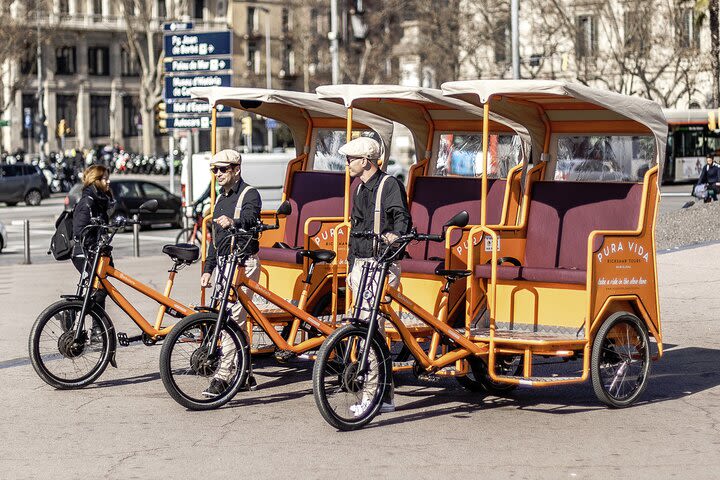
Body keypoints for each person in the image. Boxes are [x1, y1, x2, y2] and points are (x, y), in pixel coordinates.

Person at [341, 136, 411, 415]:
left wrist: (394, 235)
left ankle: (374, 395)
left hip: (382, 262)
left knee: (370, 328)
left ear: (365, 161)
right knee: (367, 329)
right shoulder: (358, 189)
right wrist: (350, 267)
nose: (346, 164)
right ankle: (385, 395)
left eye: (350, 160)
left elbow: (402, 219)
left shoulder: (389, 184)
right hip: (361, 264)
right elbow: (355, 229)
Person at [200, 149, 262, 398]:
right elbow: (215, 240)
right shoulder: (219, 199)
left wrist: (234, 222)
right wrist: (208, 268)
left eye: (222, 169)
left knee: (233, 320)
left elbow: (250, 218)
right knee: (228, 319)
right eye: (214, 170)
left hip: (243, 263)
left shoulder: (250, 194)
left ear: (236, 169)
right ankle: (245, 373)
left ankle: (223, 377)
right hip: (225, 263)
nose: (217, 174)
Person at [71, 164, 116, 310]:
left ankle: (98, 326)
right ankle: (74, 314)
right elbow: (79, 231)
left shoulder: (99, 200)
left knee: (99, 287)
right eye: (105, 179)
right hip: (84, 253)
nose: (108, 181)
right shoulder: (88, 202)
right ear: (96, 180)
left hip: (96, 252)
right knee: (100, 288)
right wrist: (94, 246)